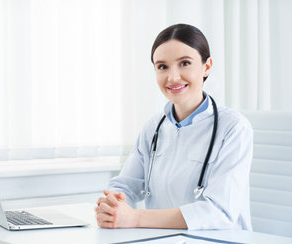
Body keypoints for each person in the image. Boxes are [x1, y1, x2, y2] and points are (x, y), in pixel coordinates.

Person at [94, 24, 253, 231]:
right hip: (163, 243)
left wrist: (136, 218)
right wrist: (112, 204)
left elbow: (219, 212)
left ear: (206, 67)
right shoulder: (154, 126)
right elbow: (125, 184)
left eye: (185, 63)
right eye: (162, 66)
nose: (173, 77)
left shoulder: (233, 128)